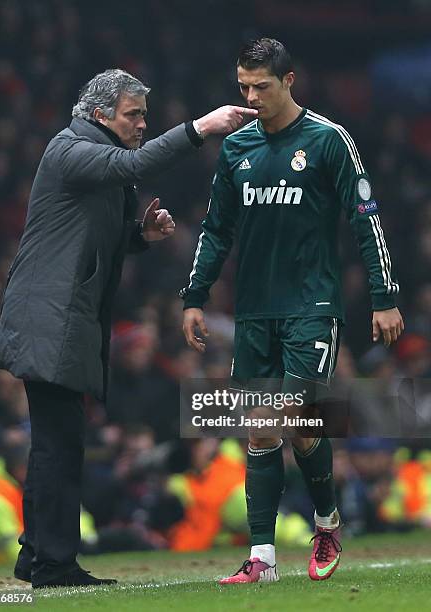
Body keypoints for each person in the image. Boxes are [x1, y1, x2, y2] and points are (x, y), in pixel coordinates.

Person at [0, 68, 256, 589]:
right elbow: (133, 162)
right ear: (99, 115)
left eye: (143, 115)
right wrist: (200, 128)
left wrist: (137, 234)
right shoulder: (70, 148)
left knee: (57, 442)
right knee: (58, 444)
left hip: (59, 318)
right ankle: (52, 561)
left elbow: (89, 232)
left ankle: (38, 553)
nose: (141, 124)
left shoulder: (90, 160)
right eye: (133, 114)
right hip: (50, 318)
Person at [181, 39, 404, 583]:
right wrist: (194, 295)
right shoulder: (237, 148)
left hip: (312, 305)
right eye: (243, 87)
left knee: (279, 416)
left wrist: (384, 295)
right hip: (255, 311)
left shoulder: (329, 141)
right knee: (274, 431)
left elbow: (365, 216)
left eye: (261, 86)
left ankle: (323, 523)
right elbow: (217, 229)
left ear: (289, 82)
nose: (251, 97)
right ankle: (265, 559)